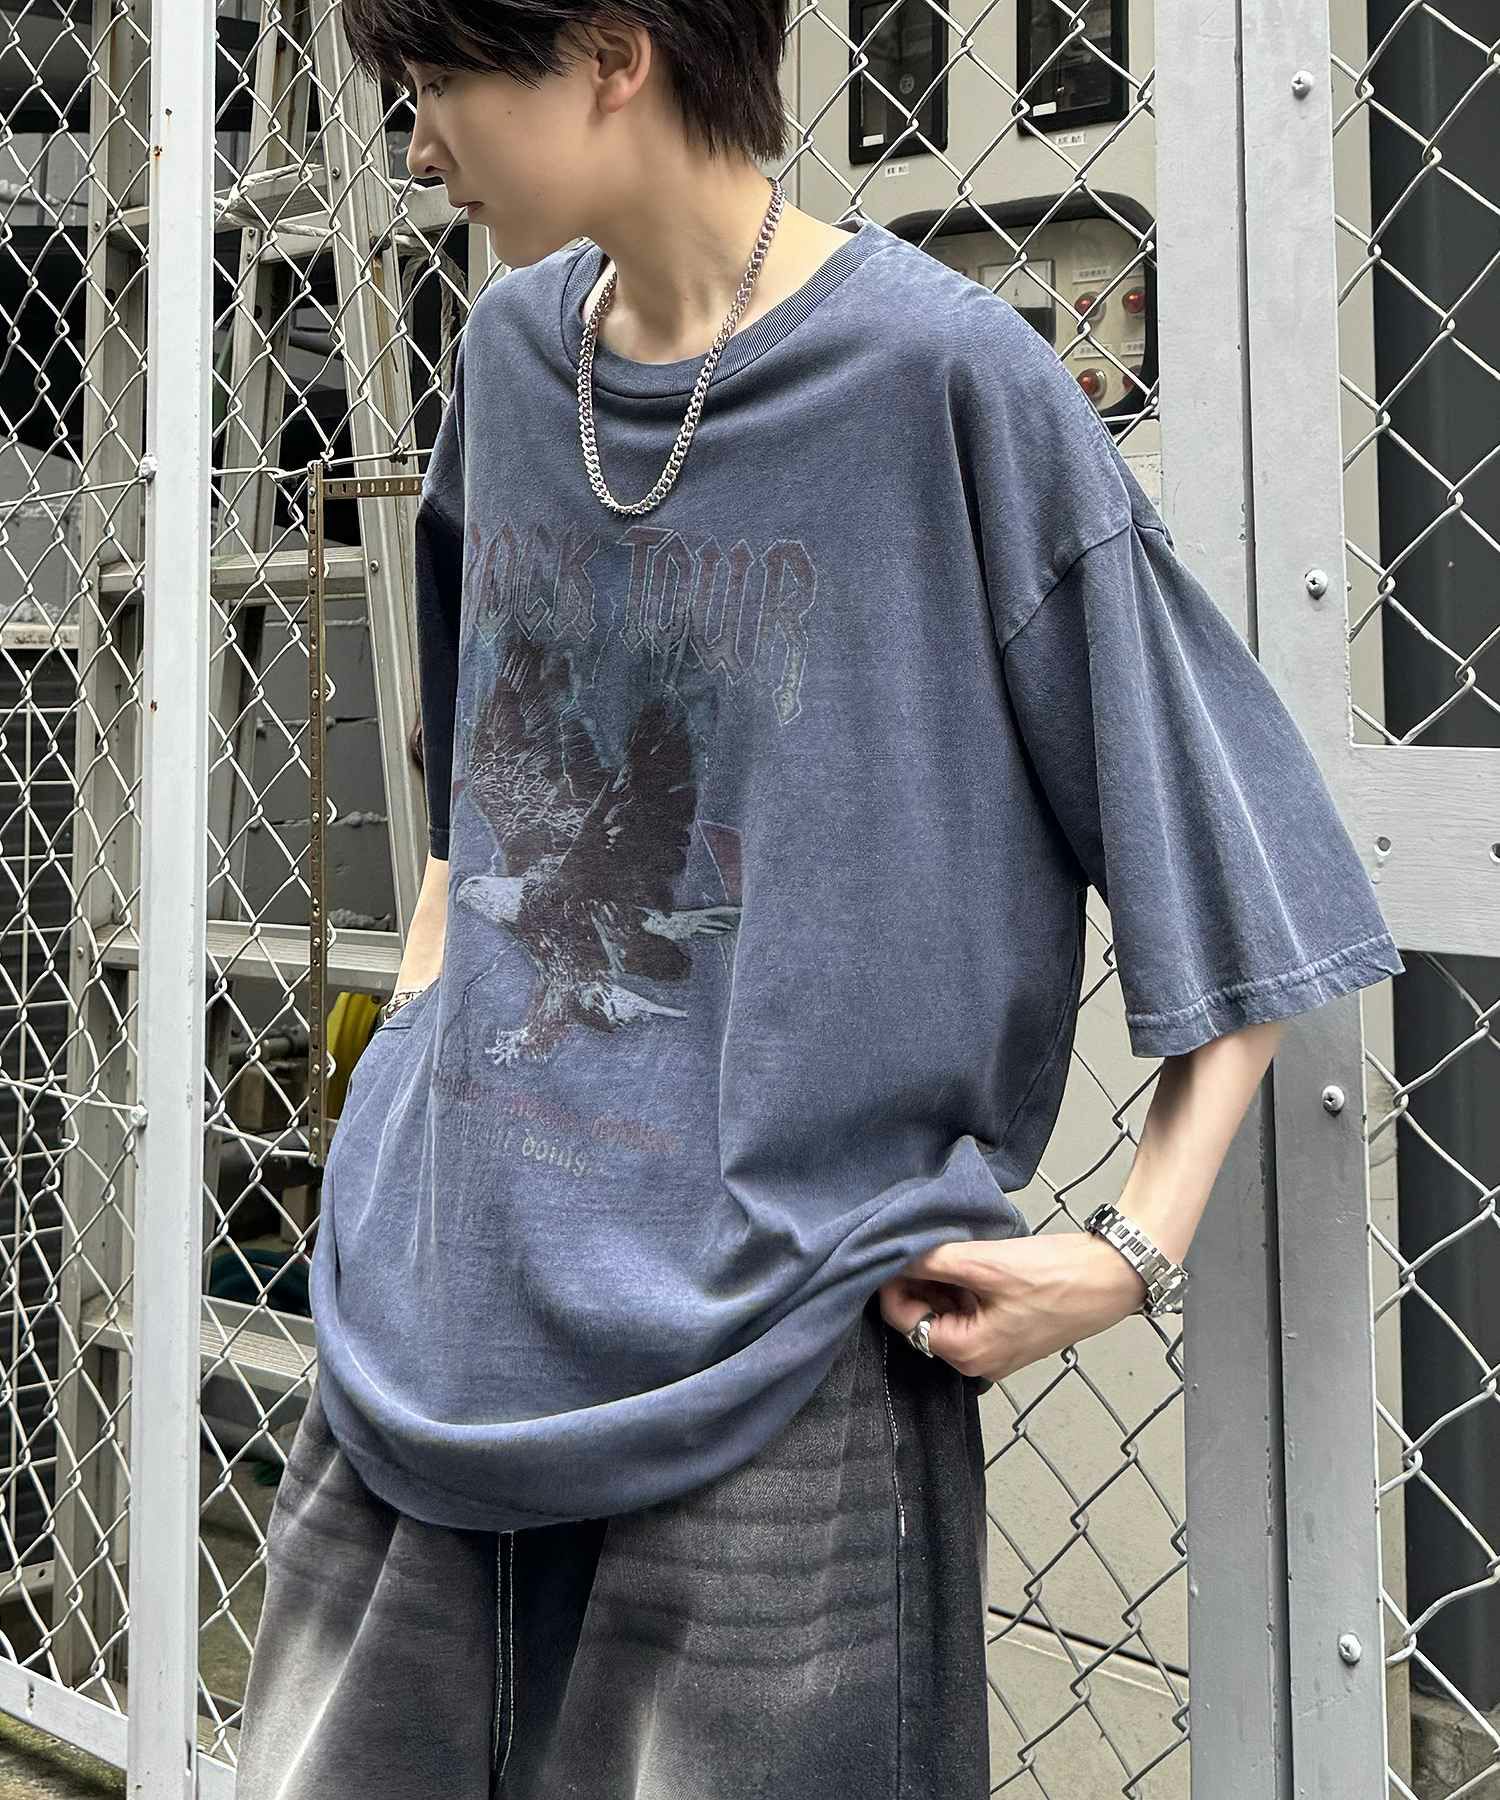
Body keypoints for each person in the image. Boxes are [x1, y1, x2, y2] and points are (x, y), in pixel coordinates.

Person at [234, 4, 1406, 1796]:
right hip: (432, 1333)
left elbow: (1240, 863)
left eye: (438, 88)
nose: (416, 150)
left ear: (611, 54)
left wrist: (1125, 1256)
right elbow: (475, 789)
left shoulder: (947, 382)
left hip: (776, 1380)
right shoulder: (509, 360)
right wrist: (410, 1058)